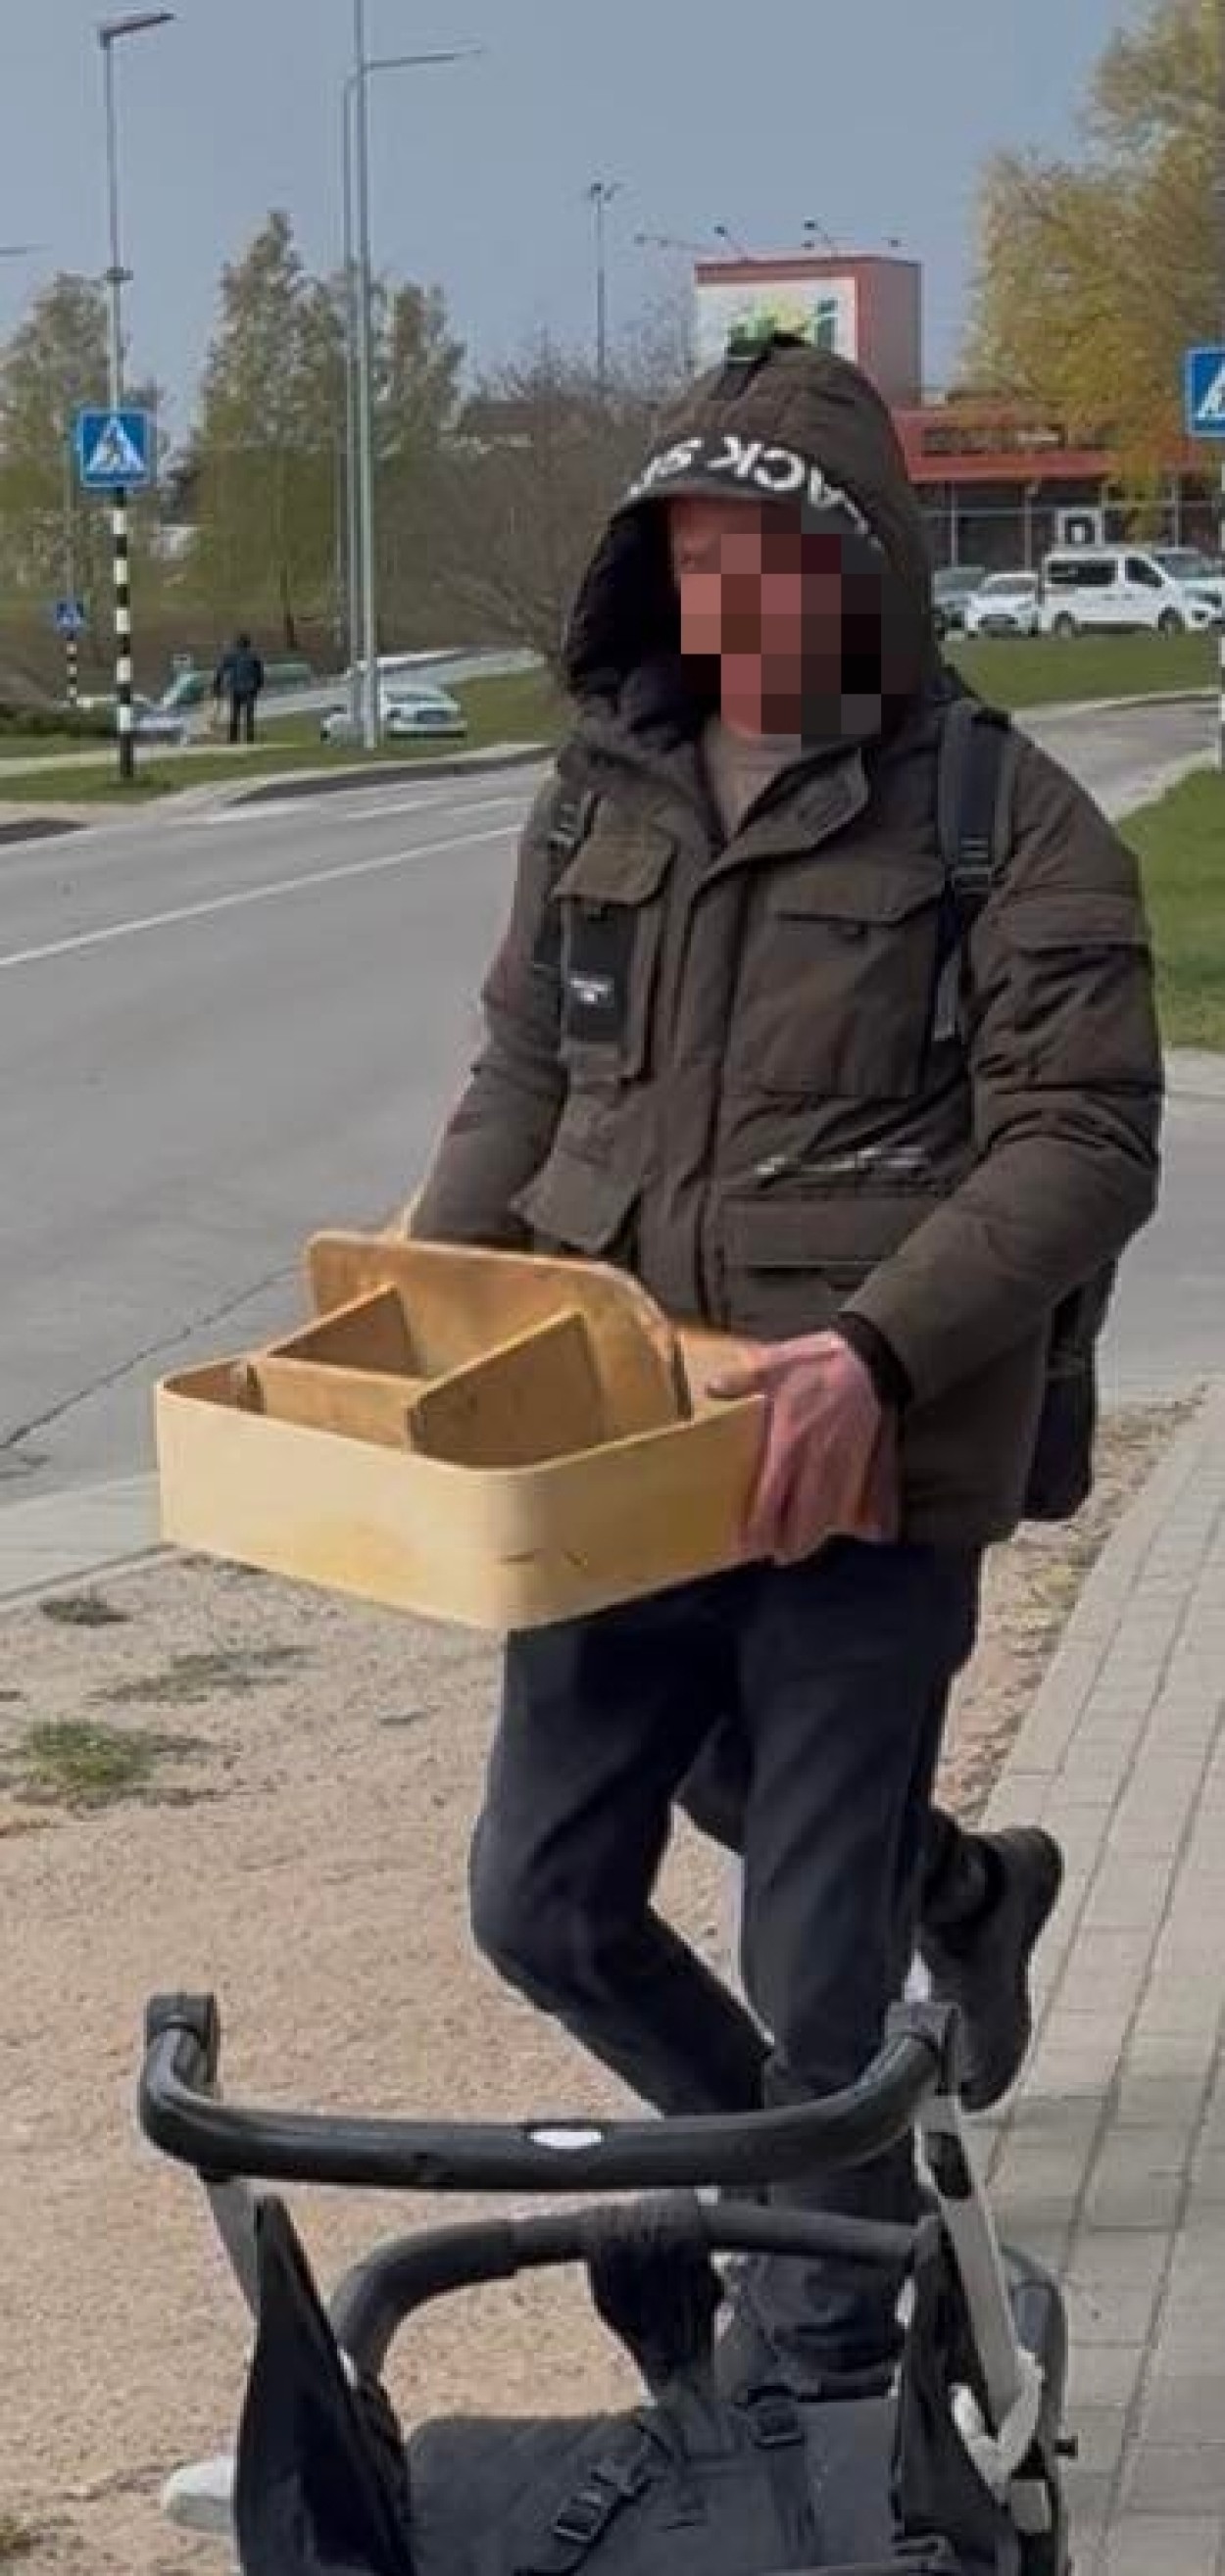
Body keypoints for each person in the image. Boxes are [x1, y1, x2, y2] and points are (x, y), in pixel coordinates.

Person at [408, 334, 1163, 2395]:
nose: (733, 596)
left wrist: (870, 1353)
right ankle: (836, 2150)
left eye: (776, 555)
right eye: (696, 550)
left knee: (816, 1951)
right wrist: (425, 1302)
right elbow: (529, 1069)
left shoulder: (1006, 817)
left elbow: (1085, 1137)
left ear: (864, 571)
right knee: (544, 1900)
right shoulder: (598, 790)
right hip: (617, 1453)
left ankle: (820, 2356)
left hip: (858, 1474)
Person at [213, 631, 265, 745]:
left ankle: (233, 739)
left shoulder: (231, 655)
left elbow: (220, 670)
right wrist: (258, 687)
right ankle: (250, 739)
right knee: (249, 716)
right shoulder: (254, 655)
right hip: (250, 689)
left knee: (235, 714)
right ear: (248, 644)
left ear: (238, 644)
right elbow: (260, 673)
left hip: (235, 688)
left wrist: (216, 685)